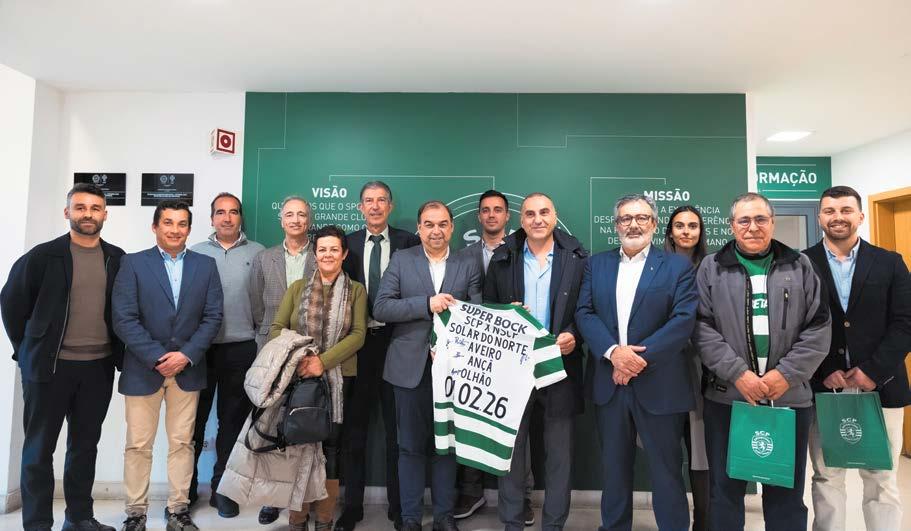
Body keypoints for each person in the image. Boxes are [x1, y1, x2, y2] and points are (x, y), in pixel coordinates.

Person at [694, 192, 830, 531]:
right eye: (744, 220)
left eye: (760, 219)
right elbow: (701, 328)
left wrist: (784, 375)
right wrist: (739, 374)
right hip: (728, 398)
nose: (752, 227)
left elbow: (819, 328)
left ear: (772, 222)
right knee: (725, 491)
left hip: (788, 399)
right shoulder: (711, 267)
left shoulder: (800, 265)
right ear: (732, 225)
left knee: (786, 492)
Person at [0, 183, 124, 531]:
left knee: (84, 447)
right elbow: (11, 304)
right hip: (49, 369)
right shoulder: (43, 256)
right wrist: (28, 350)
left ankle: (79, 518)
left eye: (95, 208)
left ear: (105, 214)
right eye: (80, 207)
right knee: (39, 450)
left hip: (98, 369)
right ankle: (38, 523)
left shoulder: (117, 258)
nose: (88, 214)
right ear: (67, 212)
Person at [576, 193, 697, 531]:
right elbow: (584, 313)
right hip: (610, 383)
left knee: (667, 471)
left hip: (660, 384)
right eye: (625, 218)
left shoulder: (677, 266)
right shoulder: (596, 265)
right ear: (616, 225)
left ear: (654, 224)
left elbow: (683, 320)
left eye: (642, 218)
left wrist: (635, 361)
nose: (633, 224)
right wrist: (614, 353)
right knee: (614, 470)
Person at [804, 186, 911, 531]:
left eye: (846, 210)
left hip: (882, 387)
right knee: (827, 476)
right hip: (825, 388)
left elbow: (905, 322)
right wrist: (824, 369)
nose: (838, 217)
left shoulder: (890, 262)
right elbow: (793, 325)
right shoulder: (801, 263)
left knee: (882, 478)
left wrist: (872, 370)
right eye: (830, 211)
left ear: (860, 216)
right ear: (820, 217)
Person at [112, 200, 224, 531]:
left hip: (187, 369)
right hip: (143, 369)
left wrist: (185, 355)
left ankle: (178, 511)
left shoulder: (206, 266)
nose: (175, 230)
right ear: (155, 226)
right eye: (168, 223)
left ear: (189, 228)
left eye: (182, 224)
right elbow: (124, 318)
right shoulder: (132, 264)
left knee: (182, 444)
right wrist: (157, 357)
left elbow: (213, 316)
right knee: (138, 445)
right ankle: (135, 513)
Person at [373, 200, 482, 531]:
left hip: (453, 371)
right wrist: (426, 304)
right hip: (409, 370)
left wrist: (451, 348)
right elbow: (382, 308)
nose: (436, 230)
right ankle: (410, 519)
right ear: (419, 228)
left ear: (452, 227)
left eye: (442, 224)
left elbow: (477, 315)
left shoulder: (468, 263)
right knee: (409, 448)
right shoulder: (402, 259)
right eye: (429, 224)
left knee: (445, 448)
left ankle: (444, 517)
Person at [484, 192, 588, 531]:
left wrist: (574, 334)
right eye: (530, 214)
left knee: (560, 455)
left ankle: (554, 526)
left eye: (544, 212)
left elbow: (588, 309)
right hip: (513, 368)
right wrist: (506, 314)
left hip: (560, 365)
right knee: (511, 453)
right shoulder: (503, 257)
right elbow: (487, 309)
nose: (538, 219)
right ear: (521, 220)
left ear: (554, 216)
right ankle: (512, 523)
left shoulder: (577, 258)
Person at [268, 225, 367, 531]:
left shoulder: (356, 291)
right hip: (300, 379)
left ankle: (324, 519)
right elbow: (277, 329)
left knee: (331, 449)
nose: (327, 255)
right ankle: (297, 519)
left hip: (339, 380)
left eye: (334, 249)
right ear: (315, 254)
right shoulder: (297, 288)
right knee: (298, 446)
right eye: (322, 249)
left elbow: (358, 334)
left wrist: (322, 362)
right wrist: (301, 359)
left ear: (344, 254)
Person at [337, 181, 420, 531]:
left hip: (396, 344)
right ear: (360, 207)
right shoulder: (347, 244)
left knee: (396, 432)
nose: (375, 206)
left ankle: (399, 507)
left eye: (381, 200)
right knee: (354, 430)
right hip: (356, 347)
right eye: (368, 201)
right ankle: (351, 507)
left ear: (390, 206)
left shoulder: (409, 242)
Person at [455, 189, 536, 524]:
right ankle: (471, 491)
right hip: (474, 351)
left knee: (516, 426)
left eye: (498, 210)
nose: (491, 215)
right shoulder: (463, 256)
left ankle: (522, 496)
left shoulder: (522, 250)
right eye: (485, 210)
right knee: (473, 418)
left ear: (507, 216)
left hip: (516, 353)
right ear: (479, 216)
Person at [188, 193, 265, 517]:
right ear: (211, 219)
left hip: (241, 348)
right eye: (220, 212)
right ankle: (186, 490)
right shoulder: (195, 252)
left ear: (240, 217)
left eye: (233, 212)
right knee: (193, 423)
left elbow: (263, 302)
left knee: (231, 424)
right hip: (200, 350)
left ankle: (222, 490)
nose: (227, 218)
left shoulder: (258, 253)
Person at [249, 195, 316, 525]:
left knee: (306, 425)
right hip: (273, 349)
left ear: (309, 220)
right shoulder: (264, 258)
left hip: (310, 351)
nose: (295, 220)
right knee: (271, 426)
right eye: (290, 214)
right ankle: (272, 499)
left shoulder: (321, 254)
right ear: (281, 220)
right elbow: (257, 307)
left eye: (301, 214)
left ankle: (304, 497)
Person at [663, 205, 710, 531]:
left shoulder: (712, 267)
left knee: (701, 453)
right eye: (679, 225)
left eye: (693, 226)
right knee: (665, 454)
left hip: (704, 368)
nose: (686, 231)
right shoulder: (654, 266)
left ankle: (703, 522)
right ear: (669, 231)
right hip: (664, 367)